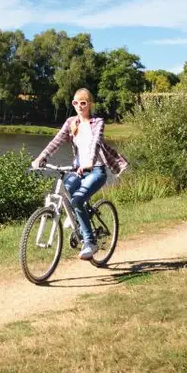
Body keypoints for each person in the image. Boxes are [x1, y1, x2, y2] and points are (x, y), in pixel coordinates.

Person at [31, 88, 128, 261]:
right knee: (66, 192)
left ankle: (90, 242)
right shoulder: (71, 122)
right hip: (78, 170)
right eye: (76, 103)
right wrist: (41, 157)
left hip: (96, 170)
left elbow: (96, 143)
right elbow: (56, 141)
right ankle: (77, 216)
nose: (79, 106)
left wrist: (90, 161)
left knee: (77, 199)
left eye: (83, 103)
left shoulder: (97, 122)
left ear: (90, 104)